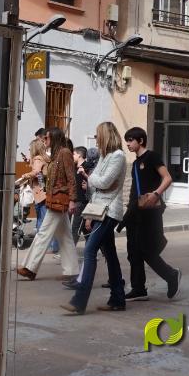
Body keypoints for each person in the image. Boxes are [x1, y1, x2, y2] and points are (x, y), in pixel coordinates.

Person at [62, 122, 127, 314]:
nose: (96, 139)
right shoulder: (105, 156)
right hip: (99, 208)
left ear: (106, 136)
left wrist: (89, 177)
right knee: (111, 256)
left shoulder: (118, 157)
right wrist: (93, 180)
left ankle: (79, 301)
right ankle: (118, 299)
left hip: (109, 210)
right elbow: (95, 186)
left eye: (98, 135)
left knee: (90, 251)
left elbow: (103, 182)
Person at [122, 127, 181, 302]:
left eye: (131, 140)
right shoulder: (134, 163)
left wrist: (156, 194)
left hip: (150, 211)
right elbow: (135, 188)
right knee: (133, 251)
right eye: (127, 140)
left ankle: (171, 275)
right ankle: (138, 288)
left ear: (140, 140)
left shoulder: (152, 157)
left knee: (146, 250)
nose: (128, 144)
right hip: (135, 210)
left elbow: (168, 178)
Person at [17, 128, 78, 283]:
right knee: (65, 237)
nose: (44, 141)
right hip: (54, 198)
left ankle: (30, 268)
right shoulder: (57, 154)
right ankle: (71, 271)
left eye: (47, 138)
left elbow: (71, 178)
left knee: (43, 233)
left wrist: (72, 200)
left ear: (54, 138)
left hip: (59, 200)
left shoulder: (64, 153)